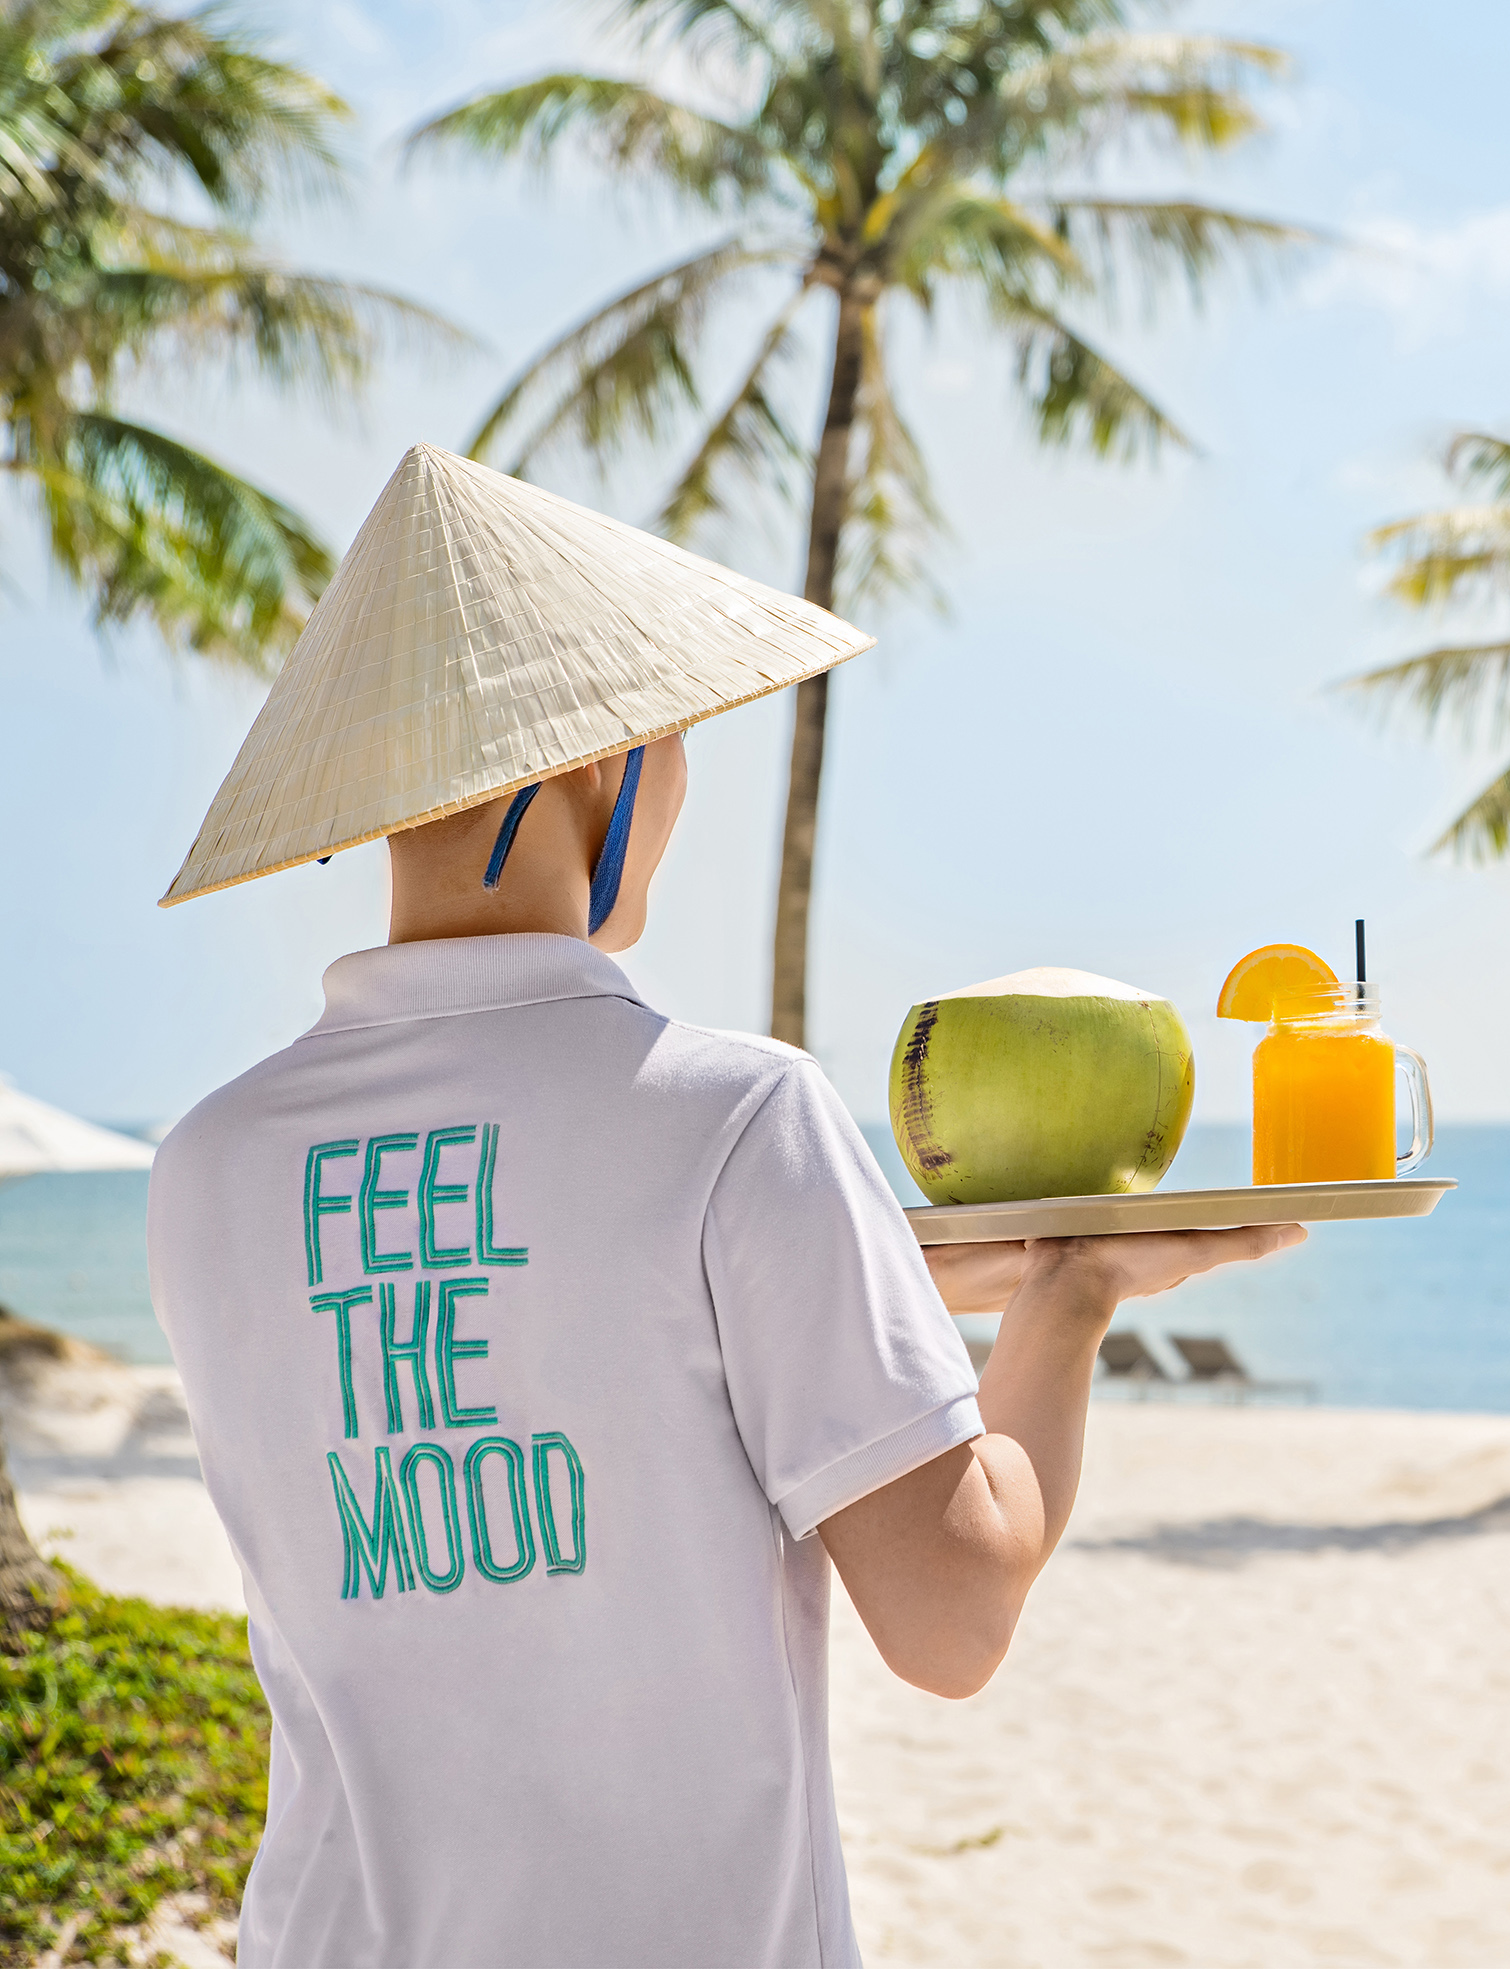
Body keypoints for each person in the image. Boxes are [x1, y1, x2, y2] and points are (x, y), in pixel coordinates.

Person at [143, 444, 1300, 1968]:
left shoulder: (208, 1166)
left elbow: (523, 1325)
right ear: (588, 763)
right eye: (675, 739)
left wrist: (892, 1279)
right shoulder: (738, 1113)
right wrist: (1071, 1295)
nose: (679, 785)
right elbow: (954, 1614)